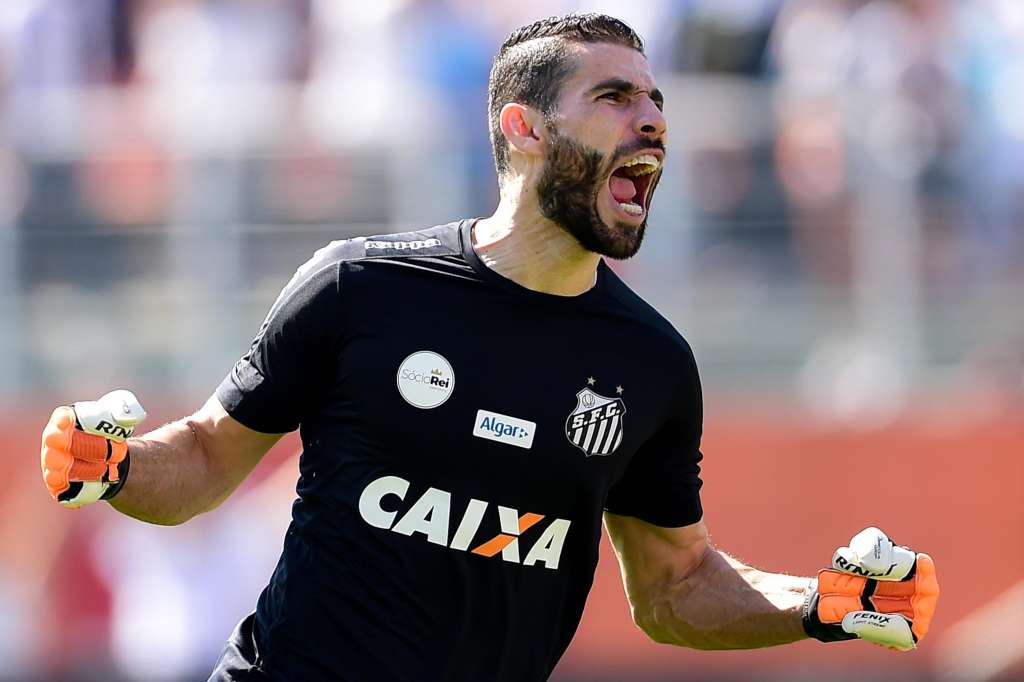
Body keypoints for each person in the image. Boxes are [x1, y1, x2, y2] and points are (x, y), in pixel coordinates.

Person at [39, 13, 939, 682]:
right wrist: (113, 464)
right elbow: (201, 459)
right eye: (616, 97)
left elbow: (676, 587)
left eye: (657, 102)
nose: (653, 121)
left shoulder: (651, 365)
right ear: (525, 127)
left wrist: (822, 604)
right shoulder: (362, 288)